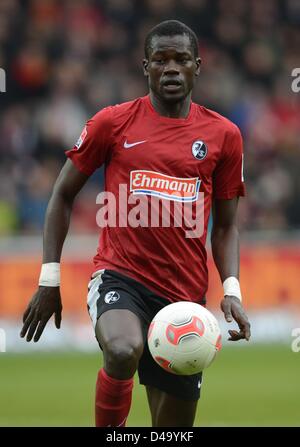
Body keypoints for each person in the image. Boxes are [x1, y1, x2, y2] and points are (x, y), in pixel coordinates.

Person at [20, 20, 251, 427]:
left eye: (181, 59)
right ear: (146, 67)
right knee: (124, 350)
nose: (172, 68)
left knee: (172, 429)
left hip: (184, 296)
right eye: (160, 60)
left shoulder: (224, 135)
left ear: (198, 66)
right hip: (120, 278)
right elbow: (61, 195)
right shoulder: (113, 123)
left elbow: (227, 225)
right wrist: (49, 279)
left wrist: (231, 288)